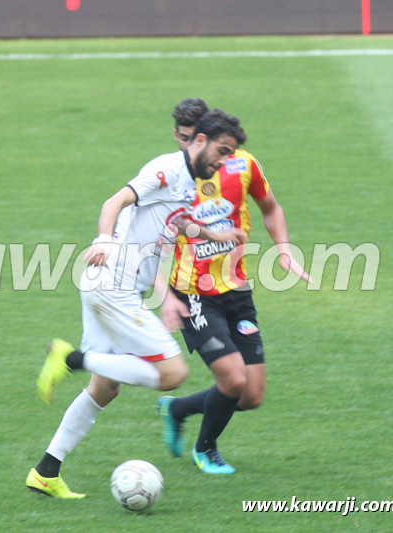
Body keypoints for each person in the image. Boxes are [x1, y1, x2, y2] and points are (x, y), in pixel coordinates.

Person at [25, 109, 249, 498]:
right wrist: (104, 239)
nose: (224, 161)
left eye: (230, 155)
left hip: (105, 287)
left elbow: (179, 223)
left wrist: (218, 232)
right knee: (173, 374)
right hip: (115, 286)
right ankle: (71, 359)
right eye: (222, 150)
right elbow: (115, 201)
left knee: (106, 388)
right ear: (200, 141)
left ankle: (46, 472)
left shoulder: (192, 182)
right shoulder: (166, 170)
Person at [157, 99, 310, 473]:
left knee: (251, 395)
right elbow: (151, 244)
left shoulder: (242, 165)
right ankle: (205, 450)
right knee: (233, 377)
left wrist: (285, 252)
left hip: (236, 289)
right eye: (181, 139)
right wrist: (164, 297)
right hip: (194, 294)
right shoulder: (170, 179)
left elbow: (270, 207)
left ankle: (177, 409)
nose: (186, 147)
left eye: (190, 138)